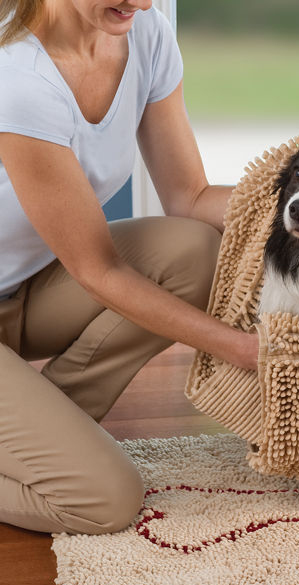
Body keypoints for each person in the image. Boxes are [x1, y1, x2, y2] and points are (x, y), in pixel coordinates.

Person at [0, 0, 259, 536]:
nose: (140, 2)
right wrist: (238, 346)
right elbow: (99, 271)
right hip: (70, 273)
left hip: (25, 291)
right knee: (105, 501)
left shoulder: (146, 37)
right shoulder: (20, 81)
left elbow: (190, 197)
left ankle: (51, 427)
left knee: (192, 252)